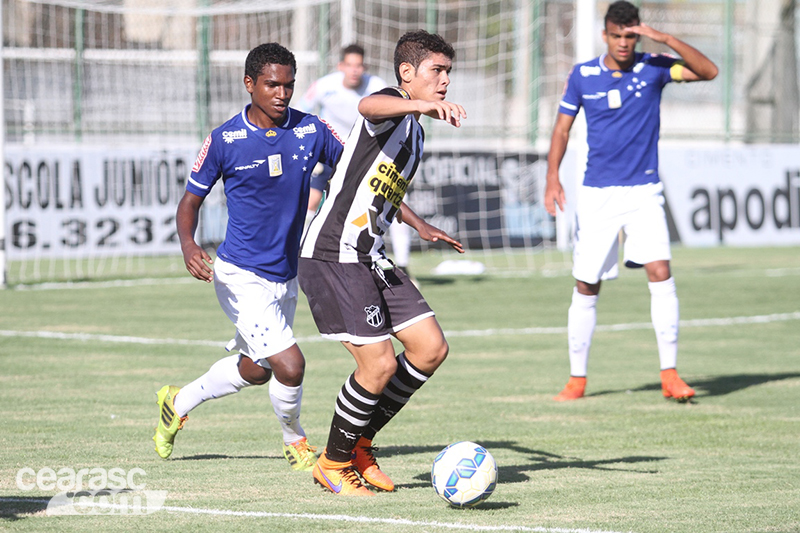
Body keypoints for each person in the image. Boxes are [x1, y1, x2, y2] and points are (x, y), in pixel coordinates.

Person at [152, 43, 344, 470]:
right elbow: (190, 202)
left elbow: (356, 171)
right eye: (272, 84)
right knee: (291, 365)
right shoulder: (225, 139)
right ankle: (295, 441)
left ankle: (176, 402)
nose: (282, 93)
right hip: (239, 273)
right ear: (250, 84)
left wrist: (411, 218)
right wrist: (188, 243)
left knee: (258, 370)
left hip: (285, 274)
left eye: (289, 85)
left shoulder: (312, 130)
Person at [298, 30, 466, 496]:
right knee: (377, 366)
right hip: (334, 252)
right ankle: (331, 463)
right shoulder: (393, 106)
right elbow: (367, 106)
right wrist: (418, 104)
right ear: (407, 74)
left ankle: (360, 443)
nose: (446, 81)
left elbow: (382, 186)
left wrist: (419, 224)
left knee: (429, 348)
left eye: (449, 72)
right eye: (438, 71)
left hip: (369, 256)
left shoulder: (413, 127)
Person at [545, 1, 718, 402]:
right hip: (598, 194)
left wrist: (666, 39)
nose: (624, 43)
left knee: (660, 271)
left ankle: (671, 375)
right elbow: (561, 130)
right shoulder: (583, 75)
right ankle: (577, 379)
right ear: (605, 35)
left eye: (631, 35)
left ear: (638, 34)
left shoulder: (656, 66)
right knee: (587, 284)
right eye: (617, 35)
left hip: (644, 190)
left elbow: (709, 72)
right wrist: (552, 176)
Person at [299, 45, 414, 280]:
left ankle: (403, 264)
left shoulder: (376, 87)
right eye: (349, 65)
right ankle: (299, 256)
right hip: (331, 154)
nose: (354, 71)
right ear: (341, 66)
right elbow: (301, 112)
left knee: (394, 203)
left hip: (365, 158)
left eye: (359, 66)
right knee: (310, 201)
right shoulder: (324, 86)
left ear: (365, 67)